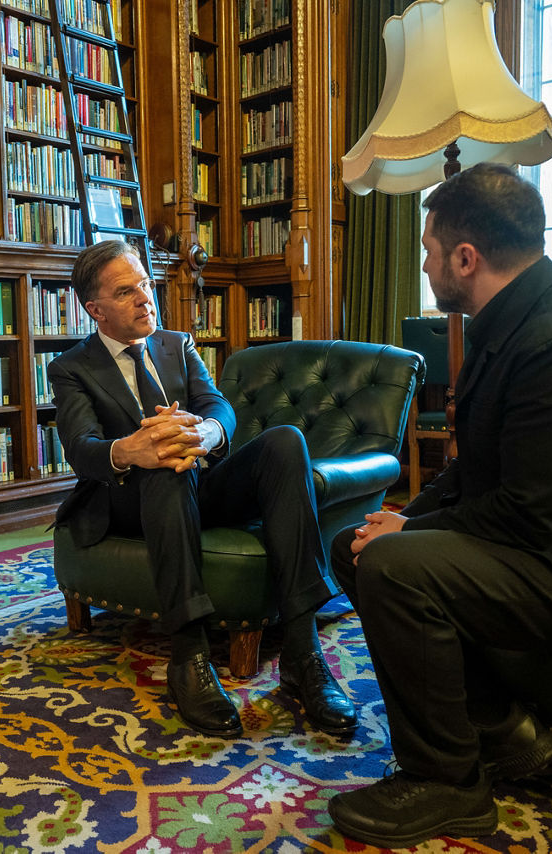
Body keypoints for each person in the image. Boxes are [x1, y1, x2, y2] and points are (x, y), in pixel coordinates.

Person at [326, 163, 552, 847]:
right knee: (353, 544)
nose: (426, 264)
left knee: (393, 566)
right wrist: (403, 519)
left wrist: (408, 533)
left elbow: (530, 515)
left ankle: (447, 784)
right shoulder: (516, 320)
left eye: (429, 251)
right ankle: (507, 734)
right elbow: (480, 471)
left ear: (465, 258)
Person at [48, 239, 356, 739]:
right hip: (129, 497)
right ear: (96, 311)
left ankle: (303, 652)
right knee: (164, 463)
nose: (146, 297)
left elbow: (220, 407)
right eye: (127, 292)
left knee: (283, 442)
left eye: (146, 284)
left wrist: (203, 433)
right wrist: (135, 448)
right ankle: (189, 655)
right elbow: (80, 447)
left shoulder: (177, 345)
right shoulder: (72, 367)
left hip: (200, 479)